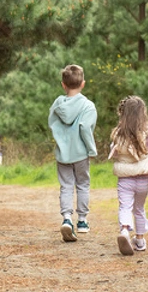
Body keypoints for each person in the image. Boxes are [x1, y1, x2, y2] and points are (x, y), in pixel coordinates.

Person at [108, 96, 148, 256]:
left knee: (125, 206)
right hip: (143, 180)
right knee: (139, 209)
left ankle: (124, 231)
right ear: (143, 115)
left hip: (125, 180)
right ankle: (140, 239)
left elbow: (113, 150)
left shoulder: (118, 134)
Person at [48, 64, 98, 242]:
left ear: (63, 84)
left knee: (66, 186)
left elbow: (52, 123)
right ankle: (82, 221)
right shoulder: (88, 106)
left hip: (63, 153)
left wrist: (61, 141)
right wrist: (91, 149)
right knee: (83, 184)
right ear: (83, 84)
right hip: (81, 153)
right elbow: (85, 128)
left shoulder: (57, 104)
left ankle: (67, 219)